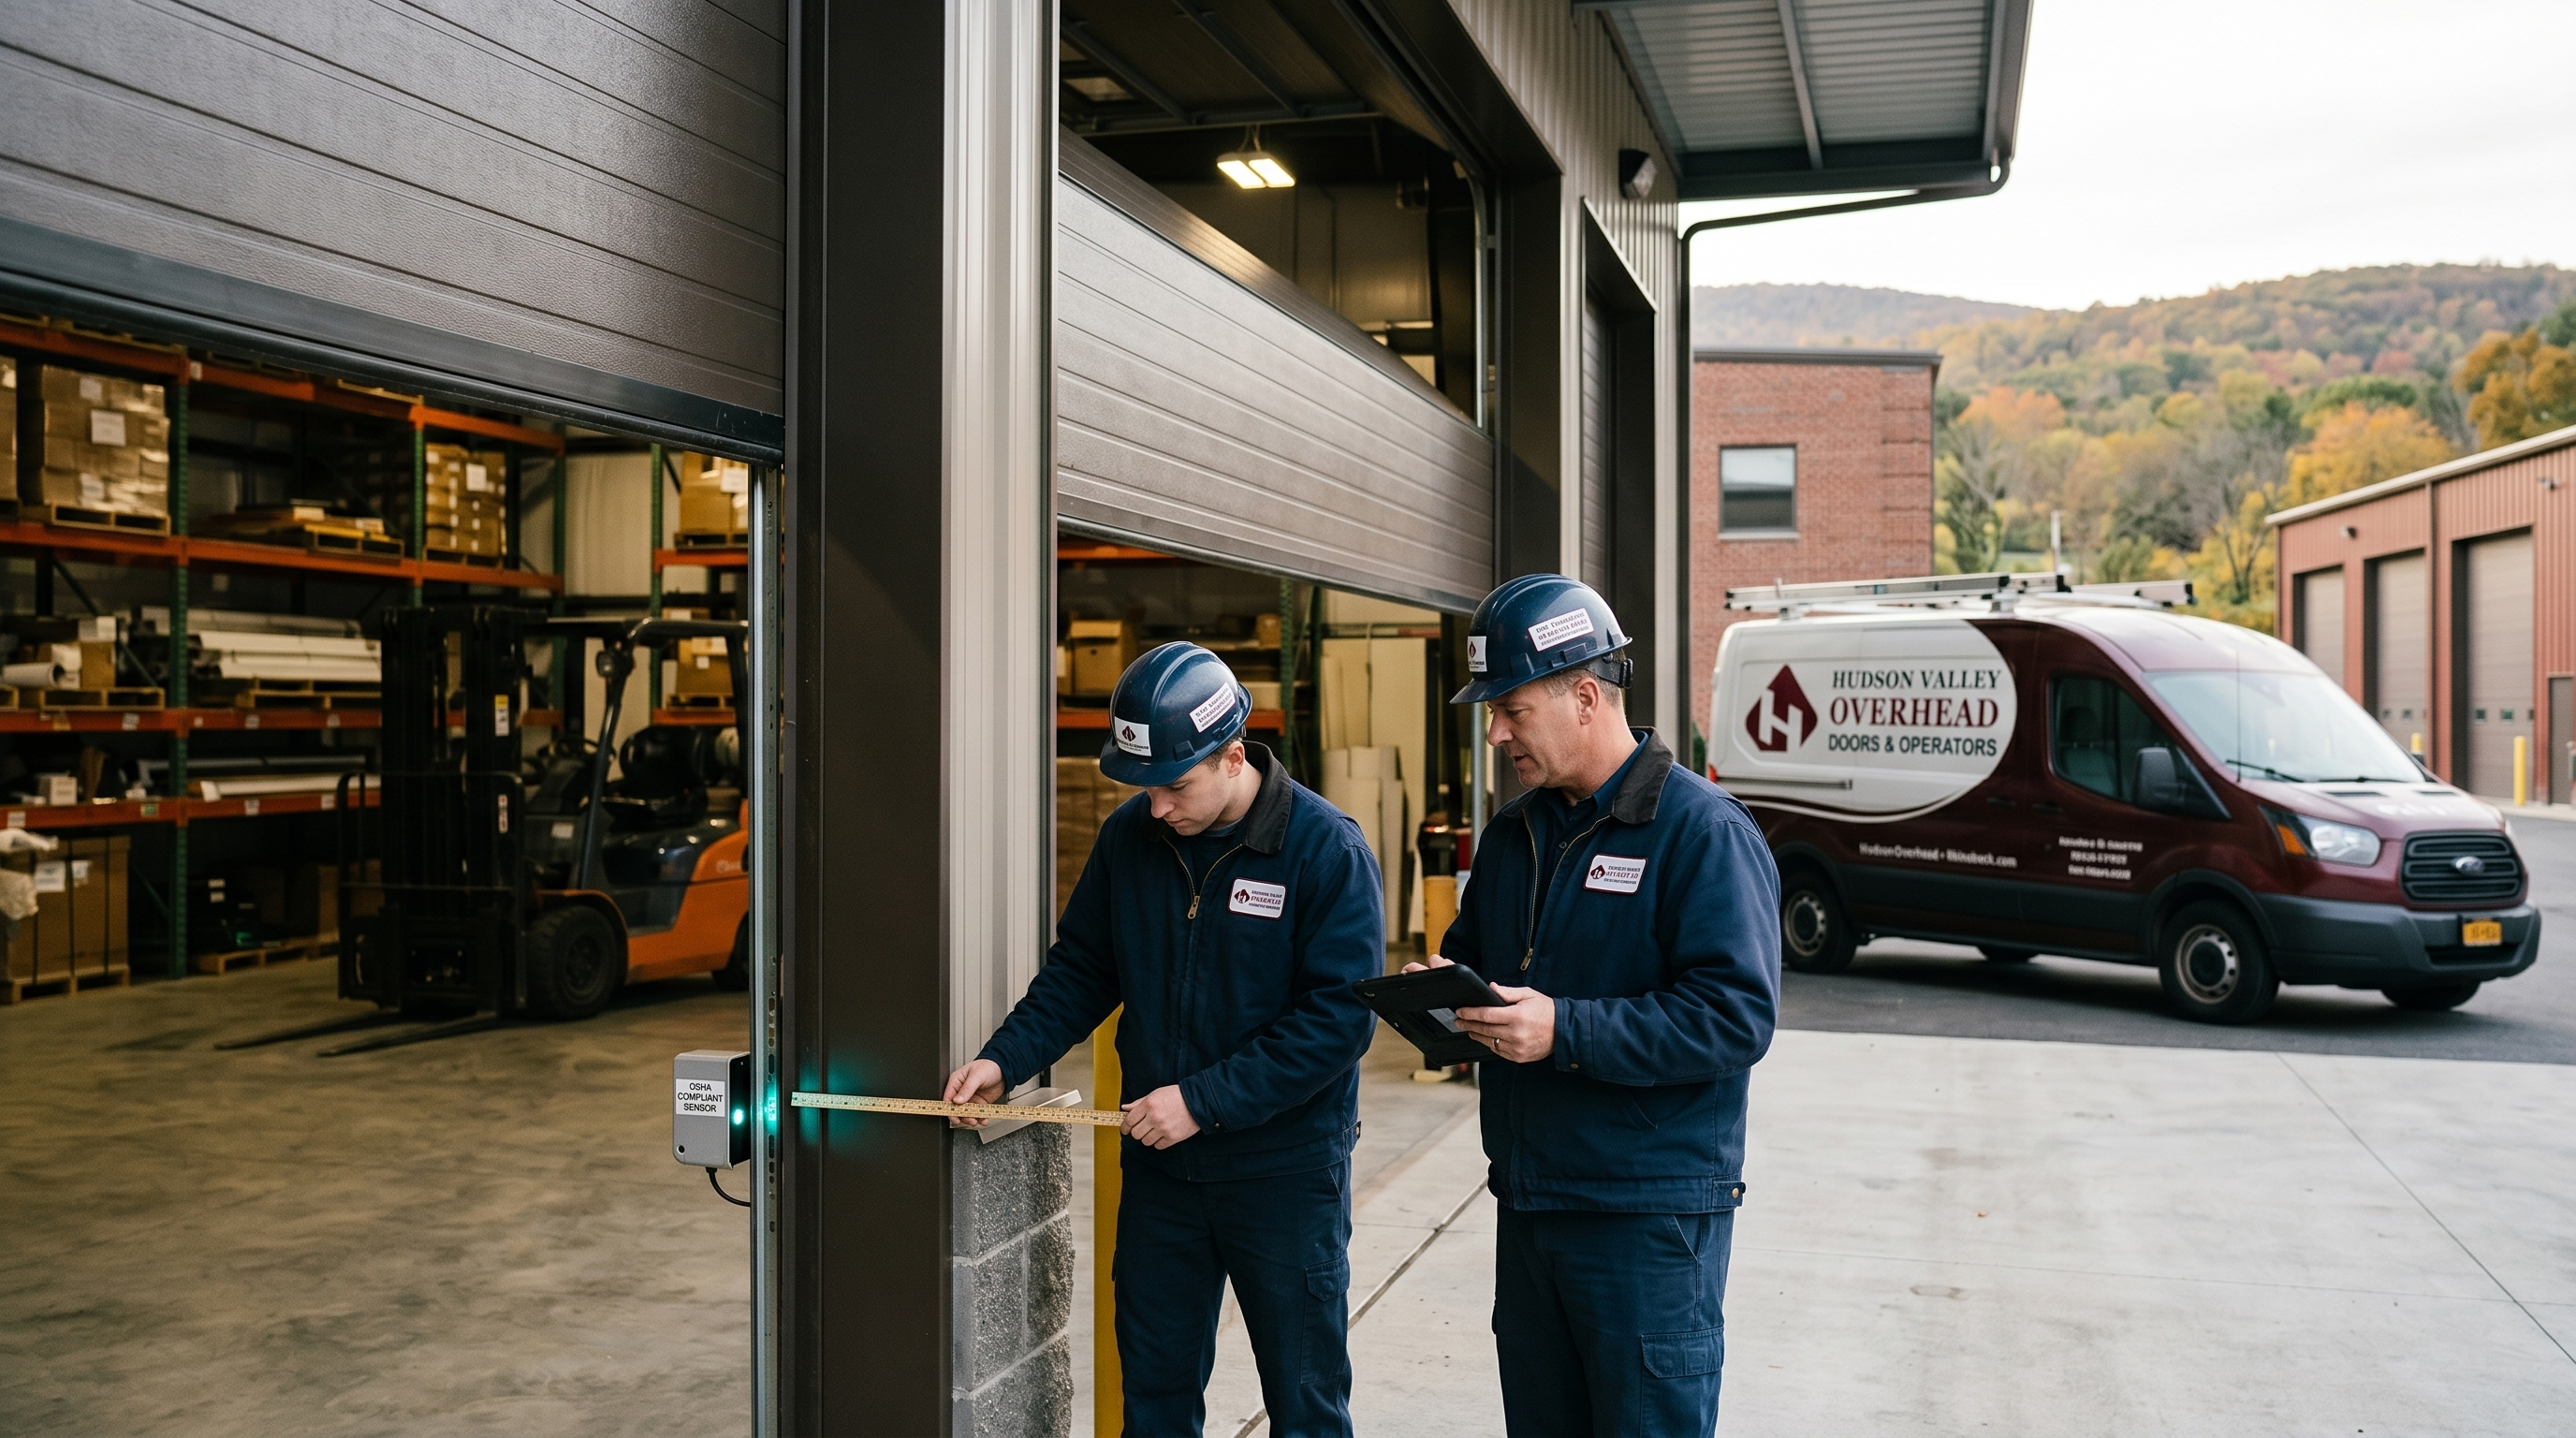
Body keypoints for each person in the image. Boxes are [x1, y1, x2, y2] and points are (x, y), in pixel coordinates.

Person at [944, 641, 1383, 1438]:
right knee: (1154, 1397)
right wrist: (1005, 1057)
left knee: (1306, 1401)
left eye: (1175, 786)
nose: (1157, 808)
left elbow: (1337, 1022)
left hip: (1283, 1178)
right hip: (1162, 1176)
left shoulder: (1325, 851)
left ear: (1233, 755)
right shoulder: (1130, 841)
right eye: (1142, 787)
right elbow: (1082, 969)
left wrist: (1203, 1102)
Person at [1419, 573, 1780, 1437]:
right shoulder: (1515, 834)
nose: (1496, 731)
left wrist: (1562, 1029)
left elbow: (1735, 1016)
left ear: (1586, 696)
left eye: (1512, 709)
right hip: (1532, 1203)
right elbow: (1482, 964)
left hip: (1647, 1222)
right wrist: (1445, 994)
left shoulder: (1703, 834)